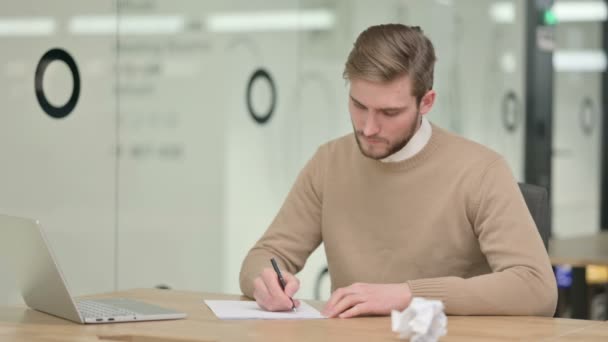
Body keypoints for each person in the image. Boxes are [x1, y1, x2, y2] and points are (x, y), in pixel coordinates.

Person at [239, 23, 557, 318]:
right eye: (359, 106)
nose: (368, 127)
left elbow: (535, 287)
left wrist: (408, 295)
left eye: (389, 112)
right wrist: (264, 281)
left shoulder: (481, 171)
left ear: (426, 102)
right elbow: (266, 255)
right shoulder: (329, 163)